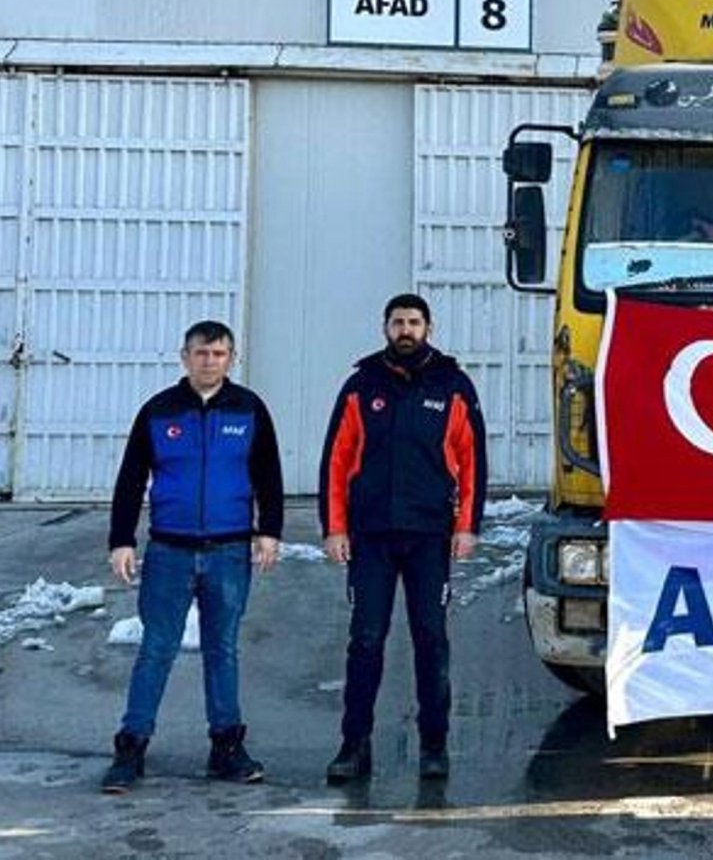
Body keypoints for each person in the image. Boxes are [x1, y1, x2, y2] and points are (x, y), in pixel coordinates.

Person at [101, 320, 284, 793]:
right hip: (170, 552)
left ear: (232, 358)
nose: (209, 361)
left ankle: (226, 747)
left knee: (222, 649)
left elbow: (268, 474)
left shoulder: (248, 410)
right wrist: (122, 539)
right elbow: (130, 480)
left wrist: (269, 531)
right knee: (156, 649)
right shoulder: (159, 412)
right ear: (184, 357)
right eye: (201, 353)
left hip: (227, 551)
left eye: (219, 353)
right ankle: (131, 748)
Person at [320, 293, 487, 783]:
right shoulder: (360, 385)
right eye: (397, 322)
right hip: (371, 535)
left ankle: (434, 744)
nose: (406, 330)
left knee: (430, 639)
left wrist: (467, 526)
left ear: (428, 328)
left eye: (414, 322)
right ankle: (354, 745)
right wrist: (334, 528)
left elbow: (472, 458)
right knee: (366, 640)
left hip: (429, 536)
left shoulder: (453, 386)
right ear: (385, 328)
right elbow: (336, 459)